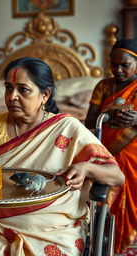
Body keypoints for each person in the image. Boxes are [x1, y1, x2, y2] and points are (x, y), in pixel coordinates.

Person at [0, 57, 124, 256]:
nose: (12, 96)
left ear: (45, 95)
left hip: (53, 229)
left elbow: (117, 175)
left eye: (23, 89)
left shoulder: (68, 127)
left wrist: (87, 168)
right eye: (8, 88)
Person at [85, 38, 137, 254]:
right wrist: (108, 116)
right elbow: (89, 122)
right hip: (107, 151)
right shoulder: (104, 86)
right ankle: (106, 241)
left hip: (133, 152)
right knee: (105, 201)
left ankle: (128, 240)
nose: (118, 70)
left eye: (125, 65)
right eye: (114, 64)